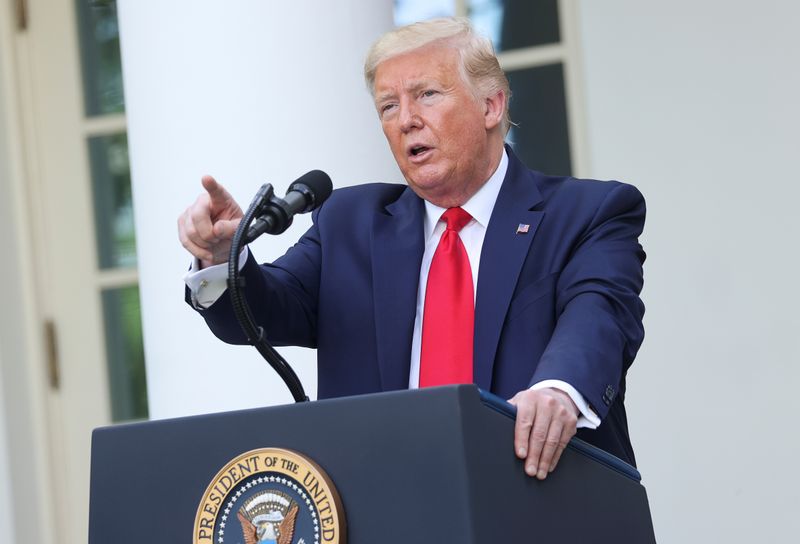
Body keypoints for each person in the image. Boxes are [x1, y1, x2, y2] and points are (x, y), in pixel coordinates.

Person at [178, 18, 645, 480]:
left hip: (536, 503)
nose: (406, 120)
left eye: (427, 95)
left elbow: (599, 315)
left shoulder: (588, 213)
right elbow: (266, 306)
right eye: (387, 106)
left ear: (491, 105)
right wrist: (223, 259)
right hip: (388, 509)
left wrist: (558, 391)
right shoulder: (349, 222)